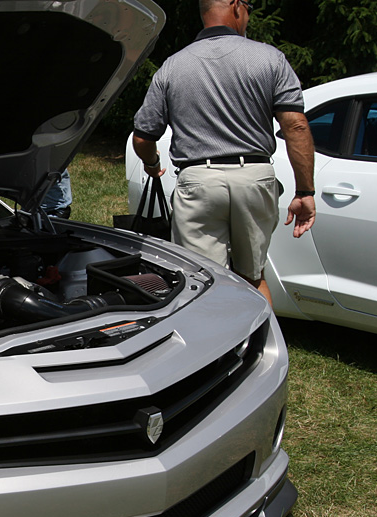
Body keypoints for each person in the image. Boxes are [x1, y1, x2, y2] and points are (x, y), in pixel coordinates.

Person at [131, 0, 315, 307]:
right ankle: (262, 350)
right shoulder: (270, 58)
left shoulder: (173, 66)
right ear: (237, 7)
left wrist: (152, 163)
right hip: (254, 178)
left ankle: (211, 353)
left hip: (198, 181)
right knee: (253, 277)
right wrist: (305, 190)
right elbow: (295, 125)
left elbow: (143, 137)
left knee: (200, 281)